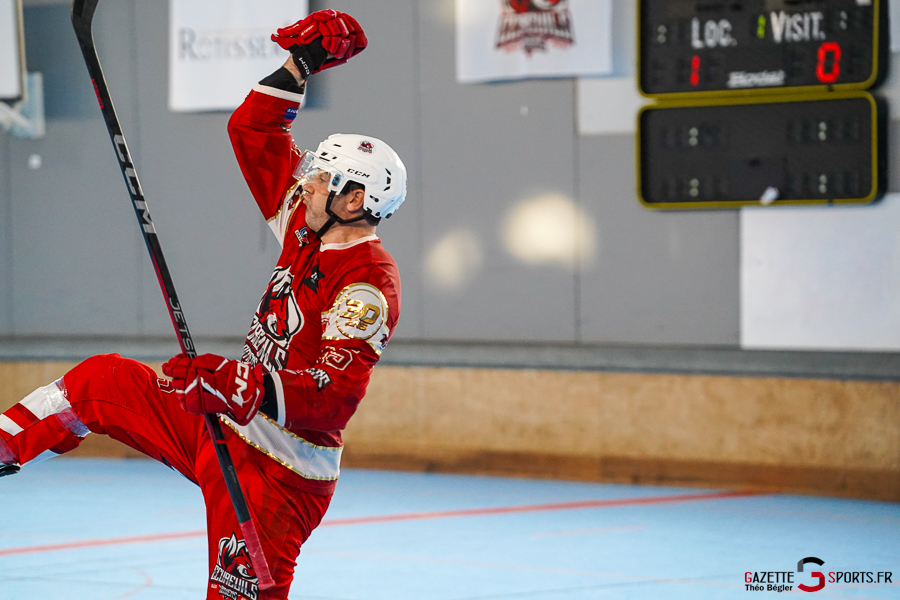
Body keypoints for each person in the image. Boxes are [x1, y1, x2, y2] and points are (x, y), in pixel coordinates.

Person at [0, 10, 404, 600]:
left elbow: (332, 399)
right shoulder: (304, 224)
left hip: (281, 473)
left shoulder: (369, 281)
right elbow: (253, 135)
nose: (307, 182)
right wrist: (301, 64)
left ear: (355, 199)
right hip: (220, 423)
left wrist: (246, 385)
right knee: (99, 382)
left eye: (322, 178)